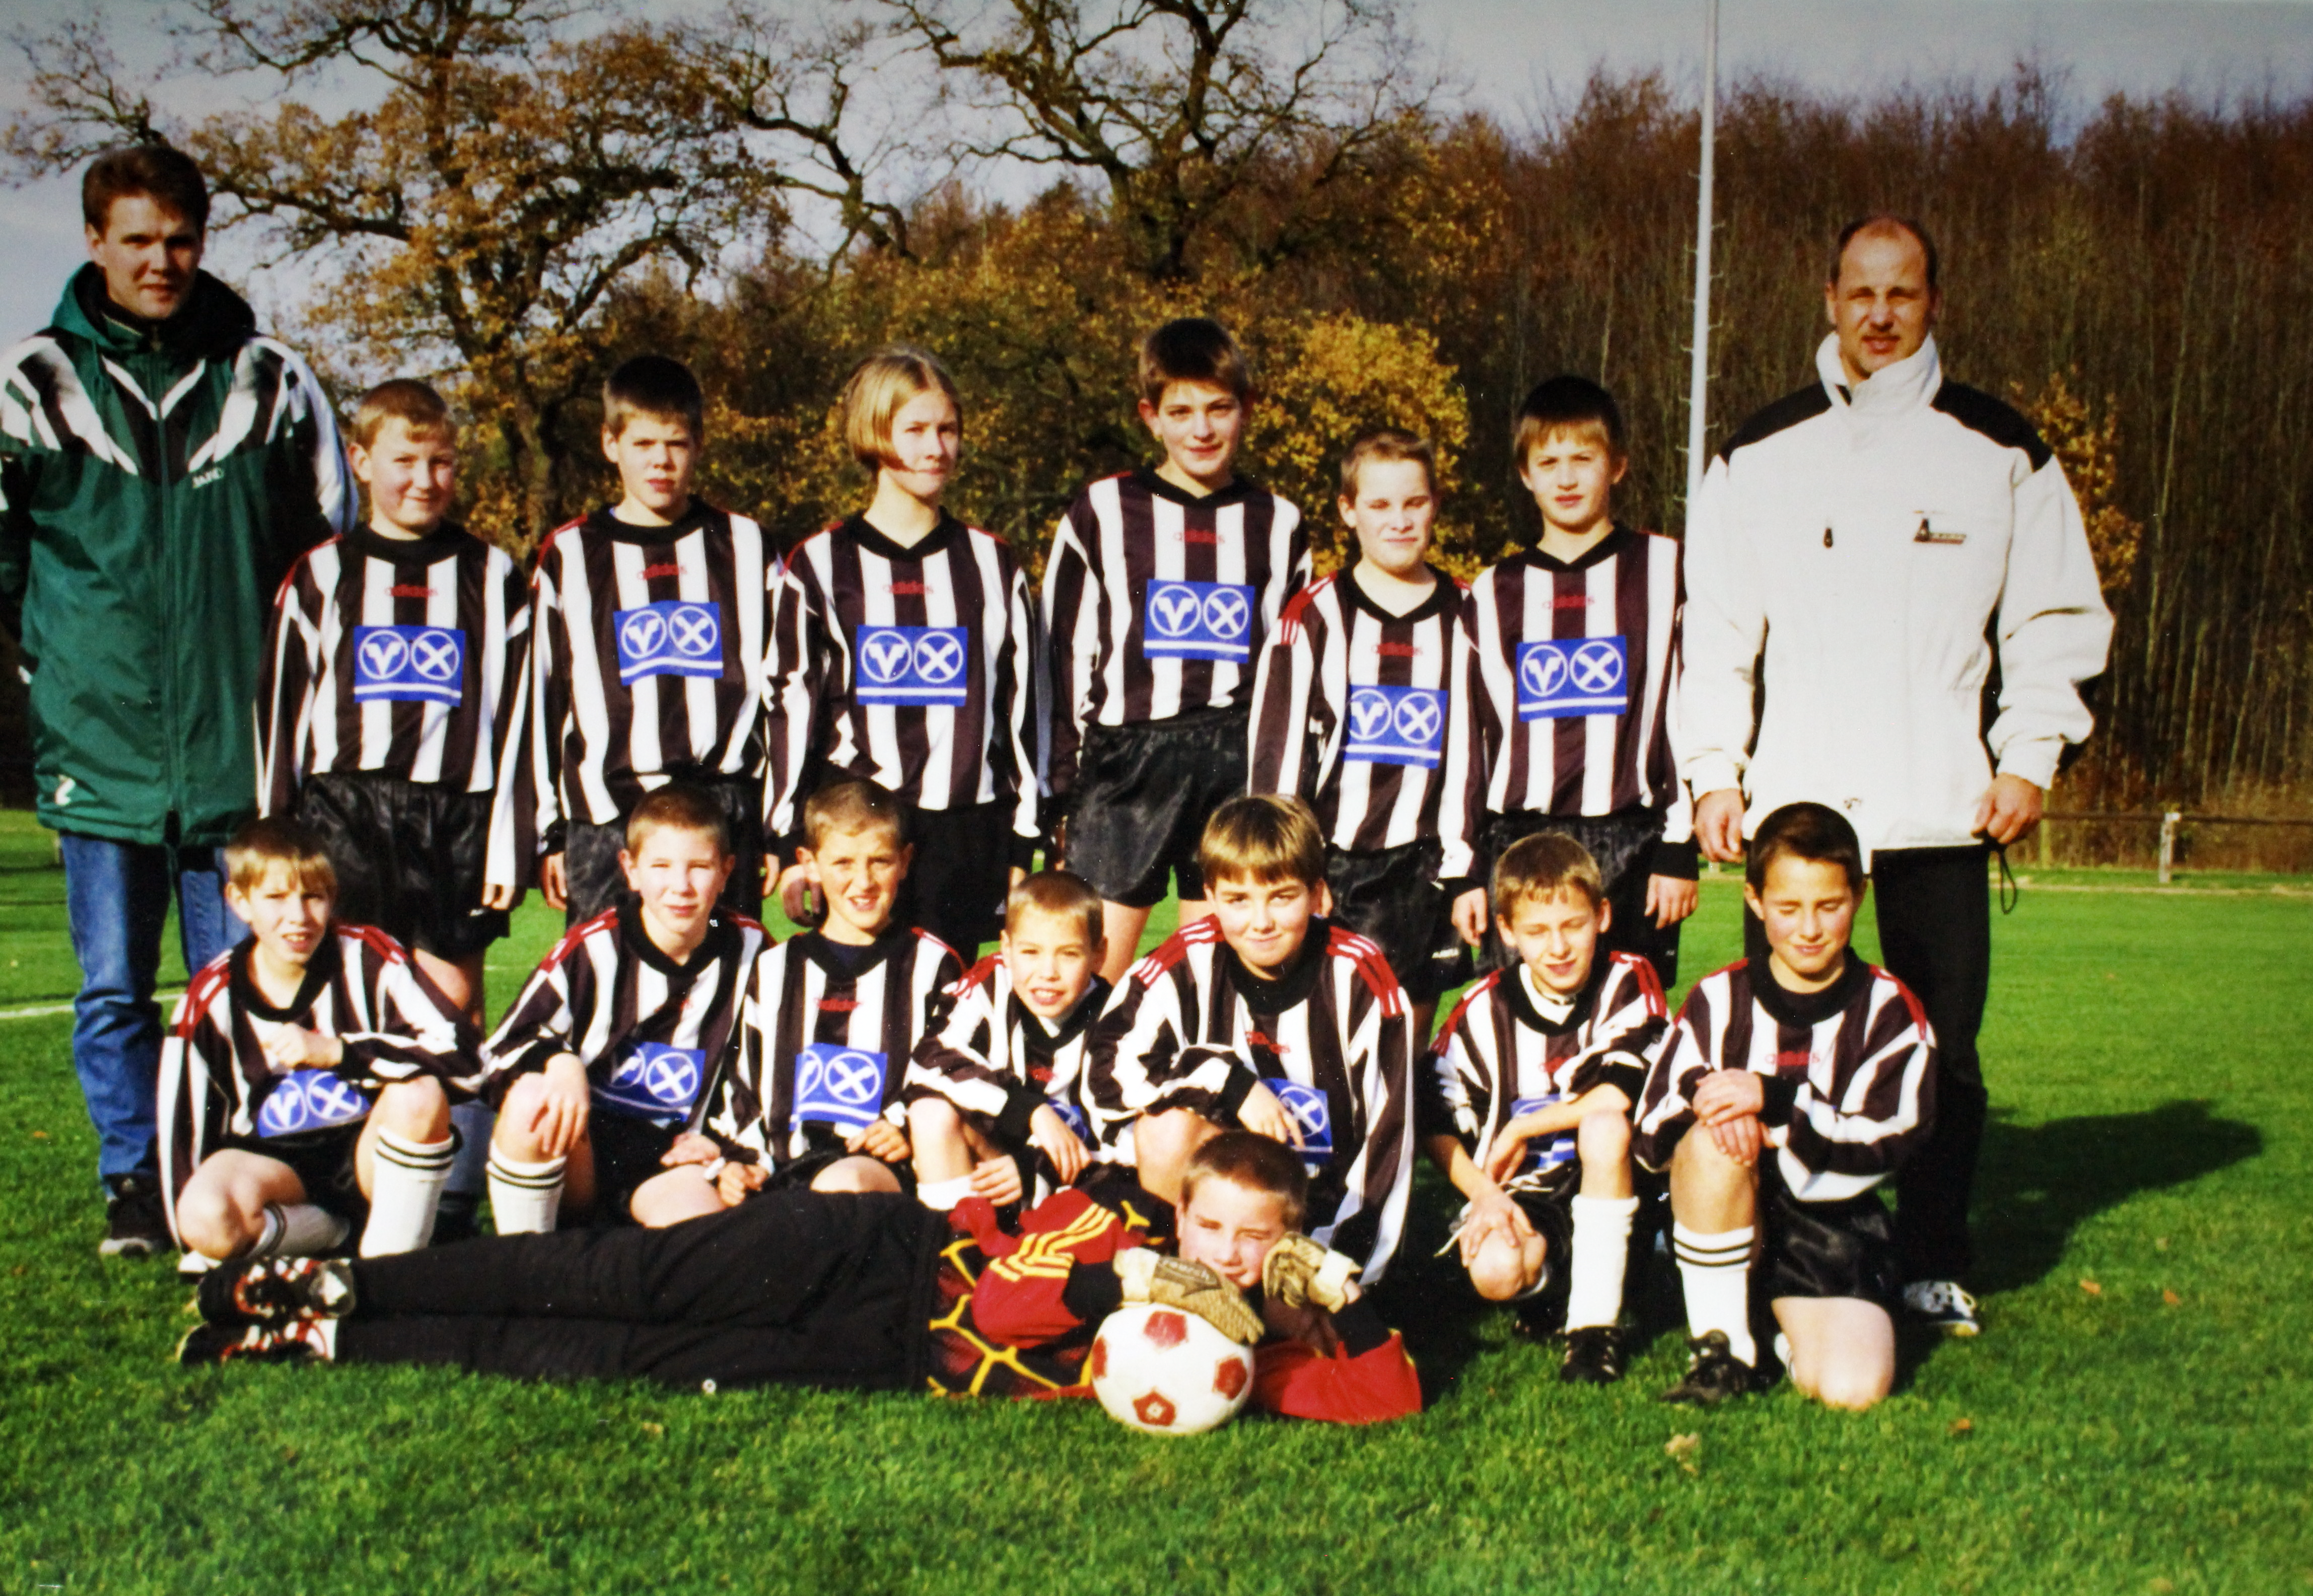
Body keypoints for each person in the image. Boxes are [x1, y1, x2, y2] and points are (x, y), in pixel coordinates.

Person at [1680, 215, 2114, 1335]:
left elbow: (2055, 616)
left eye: (1902, 294)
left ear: (1933, 303)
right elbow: (1716, 627)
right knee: (1764, 1048)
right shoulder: (1758, 450)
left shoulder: (1998, 448)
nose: (1879, 314)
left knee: (1944, 1057)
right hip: (1794, 817)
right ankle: (1768, 1249)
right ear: (1827, 298)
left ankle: (1929, 1261)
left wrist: (2027, 756)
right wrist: (1713, 772)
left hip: (1937, 806)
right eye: (1860, 292)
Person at [0, 144, 354, 1255]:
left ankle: (219, 1172)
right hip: (99, 752)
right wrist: (56, 674)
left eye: (181, 240)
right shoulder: (27, 384)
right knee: (112, 989)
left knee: (233, 986)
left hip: (233, 757)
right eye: (138, 240)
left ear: (205, 242)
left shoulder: (272, 380)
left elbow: (331, 554)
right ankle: (130, 1185)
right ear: (96, 240)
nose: (162, 261)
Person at [177, 1129, 1422, 1427]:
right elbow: (999, 1303)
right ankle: (366, 1283)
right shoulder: (1102, 1212)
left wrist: (1340, 1292)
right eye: (1211, 1220)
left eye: (1256, 1236)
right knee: (629, 1276)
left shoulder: (1249, 1336)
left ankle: (328, 1338)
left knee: (636, 1360)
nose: (1225, 1251)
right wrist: (1123, 1279)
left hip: (886, 1356)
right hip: (880, 1257)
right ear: (1180, 1199)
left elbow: (1383, 1401)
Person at [255, 378, 531, 1239]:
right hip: (344, 810)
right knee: (347, 1006)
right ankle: (348, 1181)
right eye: (404, 461)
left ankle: (447, 1202)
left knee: (451, 1011)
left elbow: (523, 717)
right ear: (362, 460)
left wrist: (509, 841)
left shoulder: (492, 573)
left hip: (455, 811)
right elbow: (280, 716)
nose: (424, 479)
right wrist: (279, 843)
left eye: (441, 461)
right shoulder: (321, 574)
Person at [1634, 803, 1935, 1411]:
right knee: (1713, 1137)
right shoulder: (1718, 997)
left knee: (1852, 1391)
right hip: (1727, 1206)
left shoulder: (1890, 1009)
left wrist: (1774, 1102)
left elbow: (1892, 1136)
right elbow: (1650, 1128)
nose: (1809, 929)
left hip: (1831, 1227)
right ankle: (1722, 1350)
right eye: (1788, 908)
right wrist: (1719, 1102)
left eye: (1830, 906)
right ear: (1754, 899)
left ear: (1859, 894)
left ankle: (1779, 1332)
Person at [1042, 318, 1311, 985]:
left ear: (1246, 410)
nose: (1202, 429)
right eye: (1181, 411)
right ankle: (1073, 1088)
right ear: (1150, 417)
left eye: (1219, 409)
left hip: (1229, 759)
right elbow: (1065, 653)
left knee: (1212, 970)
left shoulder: (1278, 523)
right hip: (1127, 761)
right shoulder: (1103, 509)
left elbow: (1291, 671)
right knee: (1089, 967)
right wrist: (1060, 787)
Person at [762, 347, 1040, 957]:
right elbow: (790, 710)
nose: (935, 448)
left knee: (951, 1014)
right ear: (873, 432)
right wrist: (789, 846)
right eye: (914, 430)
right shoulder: (819, 564)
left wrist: (1024, 844)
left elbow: (1022, 717)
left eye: (947, 429)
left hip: (967, 832)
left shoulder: (993, 563)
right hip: (859, 832)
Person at [487, 355, 775, 925]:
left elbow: (782, 694)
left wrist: (774, 829)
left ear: (698, 444)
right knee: (607, 994)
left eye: (676, 443)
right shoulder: (570, 553)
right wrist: (548, 832)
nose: (661, 460)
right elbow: (539, 701)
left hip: (722, 814)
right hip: (609, 819)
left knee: (727, 996)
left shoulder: (745, 545)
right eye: (643, 443)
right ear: (610, 442)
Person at [1083, 794, 1414, 1282]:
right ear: (1212, 897)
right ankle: (1186, 1283)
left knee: (1313, 1340)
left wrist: (1333, 1270)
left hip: (1311, 1207)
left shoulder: (1361, 979)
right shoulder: (1185, 964)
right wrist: (1229, 1081)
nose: (1261, 921)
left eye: (1282, 896)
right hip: (1218, 1202)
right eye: (1238, 899)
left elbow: (1388, 1141)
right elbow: (1104, 1073)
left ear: (1318, 893)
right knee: (1166, 1131)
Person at [1247, 427, 1487, 1041]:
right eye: (1380, 505)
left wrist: (1464, 873)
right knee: (1320, 1041)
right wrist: (1292, 872)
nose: (1400, 521)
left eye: (1415, 503)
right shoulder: (1314, 616)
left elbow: (1477, 759)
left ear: (1435, 504)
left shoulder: (1471, 614)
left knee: (1400, 1046)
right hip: (1336, 869)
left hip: (1427, 871)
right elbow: (1275, 765)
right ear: (1349, 511)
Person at [157, 818, 478, 1264]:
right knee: (207, 1218)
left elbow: (463, 1057)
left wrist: (341, 1052)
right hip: (275, 1163)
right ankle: (333, 1234)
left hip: (368, 1150)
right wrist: (196, 1241)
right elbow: (182, 1127)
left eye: (314, 897)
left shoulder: (368, 957)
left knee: (419, 1098)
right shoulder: (210, 998)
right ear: (239, 901)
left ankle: (386, 1272)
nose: (299, 917)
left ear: (333, 898)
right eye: (275, 898)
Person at [1467, 375, 1696, 987]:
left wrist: (1680, 846)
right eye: (1548, 462)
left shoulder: (1666, 568)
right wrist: (1469, 866)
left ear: (1617, 464)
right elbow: (1477, 740)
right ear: (1524, 472)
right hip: (1523, 840)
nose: (1566, 479)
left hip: (1631, 839)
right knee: (1522, 1027)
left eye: (1583, 459)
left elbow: (1684, 712)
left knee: (1630, 1023)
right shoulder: (1494, 590)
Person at [1423, 833, 1667, 1382]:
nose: (1558, 947)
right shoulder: (1481, 1007)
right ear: (1508, 931)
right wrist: (1484, 1194)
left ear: (1602, 916)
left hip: (1620, 1184)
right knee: (1495, 1272)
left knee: (1603, 1128)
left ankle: (1593, 1329)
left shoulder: (1628, 978)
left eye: (1573, 925)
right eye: (1537, 931)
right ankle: (1553, 1290)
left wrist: (1525, 1125)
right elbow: (1435, 1123)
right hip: (1528, 1194)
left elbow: (1618, 1092)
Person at [476, 784, 769, 1231]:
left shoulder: (753, 951)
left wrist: (726, 1147)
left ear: (727, 871)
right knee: (531, 1102)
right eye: (661, 867)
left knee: (701, 1240)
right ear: (630, 870)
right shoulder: (594, 945)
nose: (681, 887)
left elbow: (777, 1068)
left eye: (700, 867)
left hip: (677, 1160)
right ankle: (528, 1264)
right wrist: (560, 1063)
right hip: (582, 1154)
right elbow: (503, 1047)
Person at [683, 778, 963, 1211]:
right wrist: (739, 1163)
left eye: (880, 861)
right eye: (843, 863)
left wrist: (903, 1123)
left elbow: (954, 1068)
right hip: (780, 1172)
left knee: (841, 1190)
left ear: (905, 861)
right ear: (809, 863)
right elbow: (743, 1087)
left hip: (875, 1171)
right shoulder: (775, 968)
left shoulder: (931, 965)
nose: (863, 881)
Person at [903, 869, 1113, 1210]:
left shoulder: (1115, 1017)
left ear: (1099, 954)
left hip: (1071, 1183)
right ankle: (955, 1249)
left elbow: (1121, 1136)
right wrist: (1029, 1110)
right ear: (1006, 947)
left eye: (1069, 954)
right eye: (1030, 952)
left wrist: (1036, 1167)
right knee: (930, 1111)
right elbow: (931, 1057)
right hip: (992, 1164)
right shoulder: (989, 986)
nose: (1048, 972)